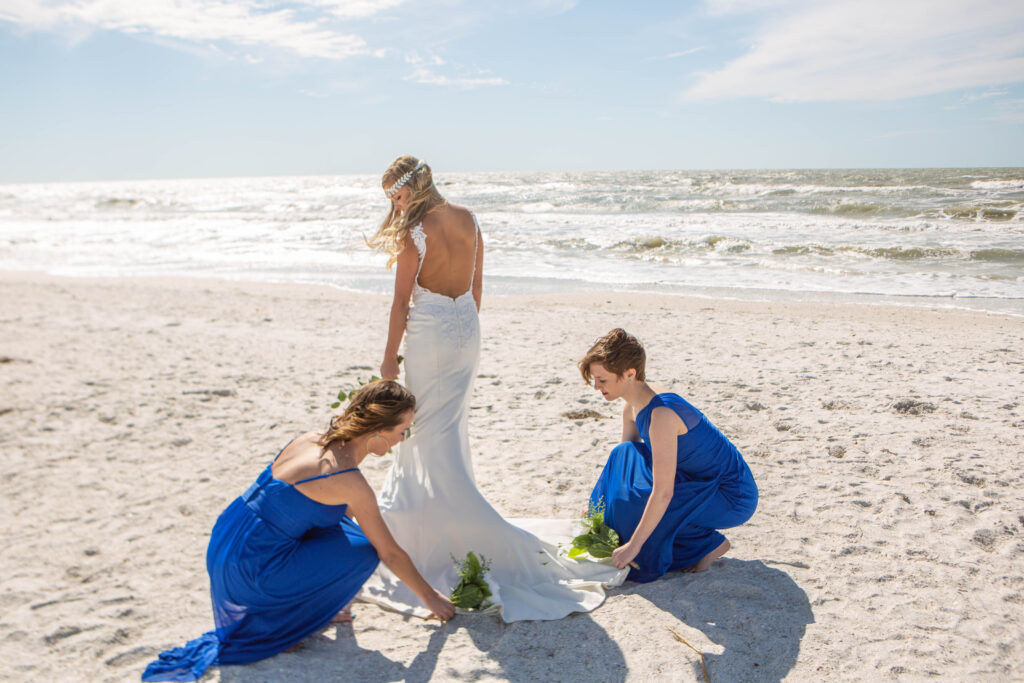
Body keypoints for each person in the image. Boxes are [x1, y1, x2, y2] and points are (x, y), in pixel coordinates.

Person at [359, 155, 624, 622]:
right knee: (448, 424)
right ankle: (442, 506)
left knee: (423, 426)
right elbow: (477, 287)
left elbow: (401, 302)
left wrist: (387, 358)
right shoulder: (469, 219)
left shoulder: (413, 232)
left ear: (412, 187)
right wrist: (462, 327)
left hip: (430, 335)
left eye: (395, 194)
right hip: (465, 331)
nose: (393, 203)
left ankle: (444, 518)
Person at [141, 380, 454, 682]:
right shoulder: (349, 479)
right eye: (402, 431)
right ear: (378, 433)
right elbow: (390, 552)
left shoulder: (312, 437)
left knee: (352, 535)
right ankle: (283, 624)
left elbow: (320, 510)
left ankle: (315, 606)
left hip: (230, 538)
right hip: (253, 567)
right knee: (366, 551)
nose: (403, 438)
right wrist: (431, 597)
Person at [580, 328, 758, 583]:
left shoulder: (661, 415)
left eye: (603, 380)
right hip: (689, 478)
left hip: (727, 493)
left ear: (629, 374)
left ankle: (708, 547)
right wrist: (599, 508)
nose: (596, 386)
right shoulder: (631, 404)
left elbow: (664, 493)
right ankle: (658, 529)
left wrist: (633, 546)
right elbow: (625, 465)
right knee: (623, 459)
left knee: (635, 521)